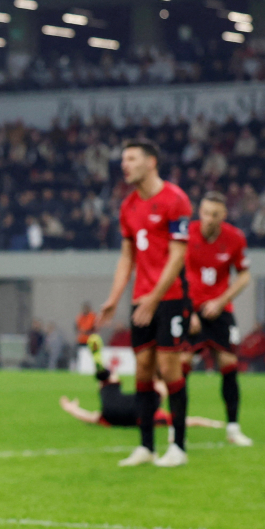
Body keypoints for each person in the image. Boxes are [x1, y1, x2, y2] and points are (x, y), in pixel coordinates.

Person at [97, 140, 192, 468]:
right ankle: (146, 447)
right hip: (142, 300)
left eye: (132, 158)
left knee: (169, 368)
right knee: (143, 370)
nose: (125, 165)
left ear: (151, 162)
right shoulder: (128, 206)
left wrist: (153, 299)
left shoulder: (175, 199)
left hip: (169, 298)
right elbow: (127, 256)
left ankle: (178, 447)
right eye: (123, 159)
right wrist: (113, 297)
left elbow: (178, 256)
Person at [186, 191, 253, 446]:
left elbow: (245, 276)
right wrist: (187, 310)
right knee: (181, 366)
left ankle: (233, 428)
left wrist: (221, 301)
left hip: (219, 311)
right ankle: (176, 428)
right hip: (190, 310)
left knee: (229, 364)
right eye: (204, 213)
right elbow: (175, 272)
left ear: (223, 216)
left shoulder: (234, 238)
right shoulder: (187, 235)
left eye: (214, 215)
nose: (208, 219)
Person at [60, 335, 221, 430]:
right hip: (134, 411)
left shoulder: (108, 417)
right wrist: (212, 423)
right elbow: (188, 420)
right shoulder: (157, 416)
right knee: (154, 392)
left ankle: (102, 369)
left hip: (114, 410)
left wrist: (71, 409)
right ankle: (104, 374)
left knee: (125, 385)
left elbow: (90, 417)